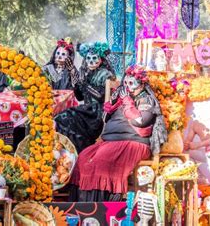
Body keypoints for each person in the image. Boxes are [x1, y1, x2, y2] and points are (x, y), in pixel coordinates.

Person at [69, 65, 167, 202]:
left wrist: (127, 102)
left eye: (131, 83)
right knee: (83, 158)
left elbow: (140, 121)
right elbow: (105, 119)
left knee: (99, 162)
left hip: (133, 142)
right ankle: (83, 206)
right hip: (110, 141)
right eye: (126, 82)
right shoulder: (121, 97)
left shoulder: (146, 99)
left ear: (141, 84)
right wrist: (112, 105)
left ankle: (103, 205)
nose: (127, 86)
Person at [54, 42, 115, 153]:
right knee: (61, 117)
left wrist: (84, 84)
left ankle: (77, 150)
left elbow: (100, 96)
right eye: (88, 58)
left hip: (96, 114)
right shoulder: (87, 73)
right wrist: (73, 72)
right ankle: (69, 151)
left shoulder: (105, 74)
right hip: (87, 110)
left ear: (100, 60)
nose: (91, 61)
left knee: (65, 117)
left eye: (94, 58)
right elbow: (80, 97)